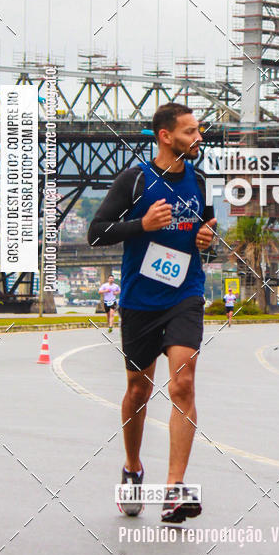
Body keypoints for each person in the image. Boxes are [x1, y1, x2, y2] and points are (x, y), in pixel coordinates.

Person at [87, 103, 217, 523]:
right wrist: (141, 225)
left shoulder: (199, 180)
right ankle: (132, 469)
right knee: (139, 391)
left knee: (183, 381)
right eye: (190, 132)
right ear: (165, 136)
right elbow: (96, 234)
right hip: (141, 299)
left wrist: (207, 239)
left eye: (198, 131)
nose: (198, 137)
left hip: (186, 292)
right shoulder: (136, 179)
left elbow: (208, 231)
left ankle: (175, 489)